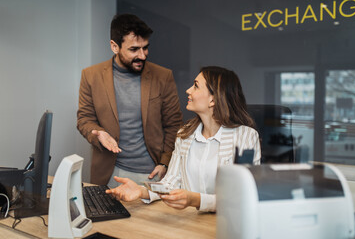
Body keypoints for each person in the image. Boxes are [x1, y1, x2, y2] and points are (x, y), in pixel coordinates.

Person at [106, 66, 261, 212]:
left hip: (227, 225)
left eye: (195, 86)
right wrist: (141, 191)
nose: (188, 91)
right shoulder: (185, 134)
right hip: (187, 222)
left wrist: (196, 200)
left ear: (213, 100)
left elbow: (241, 197)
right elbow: (170, 183)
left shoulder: (245, 137)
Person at [77, 14, 183, 186]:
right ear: (114, 46)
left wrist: (164, 162)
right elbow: (84, 119)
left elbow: (174, 124)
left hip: (152, 173)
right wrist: (99, 133)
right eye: (134, 49)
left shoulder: (163, 76)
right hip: (109, 172)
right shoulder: (91, 76)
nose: (142, 55)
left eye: (145, 48)